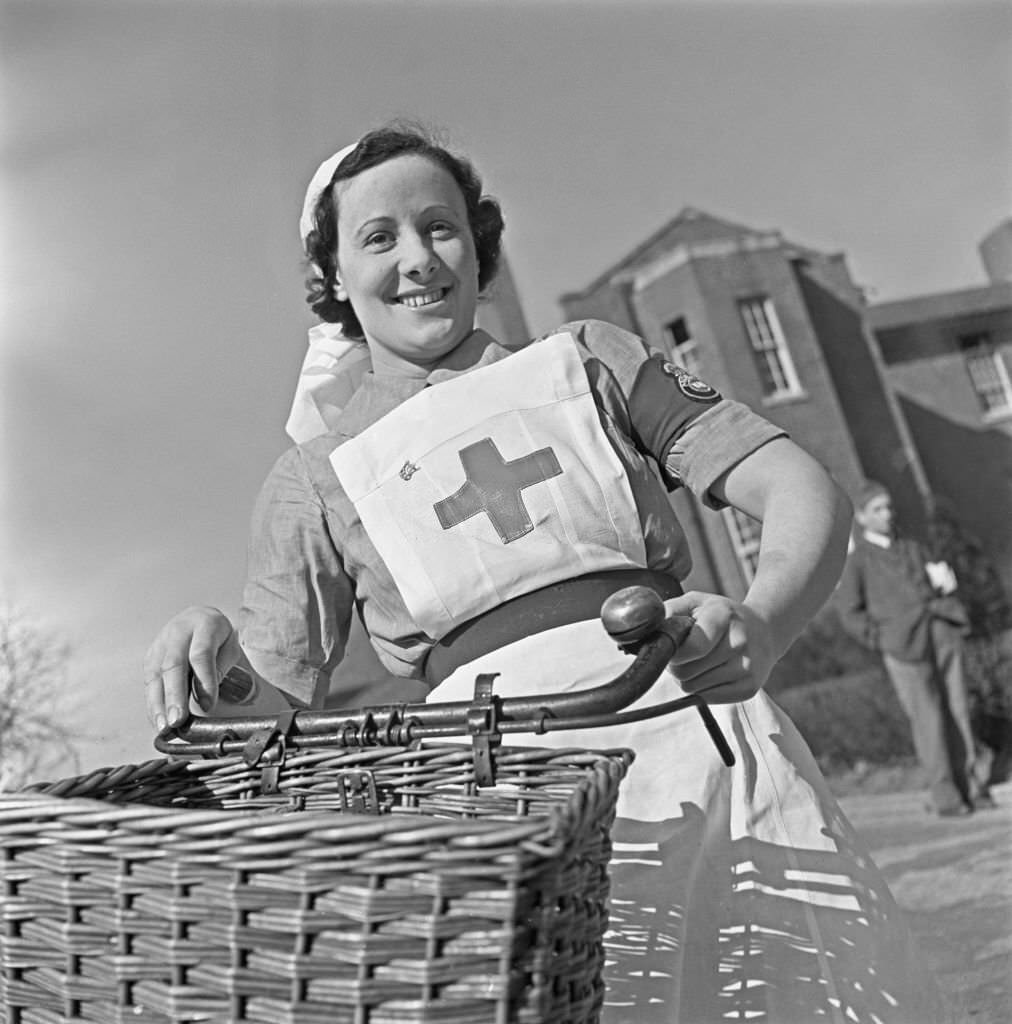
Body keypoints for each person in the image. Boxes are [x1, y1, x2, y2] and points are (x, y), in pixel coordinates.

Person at [145, 124, 947, 1022]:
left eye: (439, 227)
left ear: (477, 244)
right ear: (332, 277)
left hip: (697, 741)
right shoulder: (312, 478)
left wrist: (762, 623)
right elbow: (276, 723)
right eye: (378, 237)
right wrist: (214, 659)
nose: (418, 258)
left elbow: (801, 486)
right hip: (498, 804)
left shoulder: (589, 360)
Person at [836, 480, 994, 817]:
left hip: (940, 631)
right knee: (927, 719)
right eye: (877, 509)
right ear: (862, 517)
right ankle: (947, 797)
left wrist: (946, 589)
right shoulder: (857, 562)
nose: (887, 514)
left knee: (958, 710)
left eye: (889, 507)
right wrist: (881, 639)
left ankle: (973, 787)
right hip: (903, 646)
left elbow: (937, 580)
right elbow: (850, 613)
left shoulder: (911, 547)